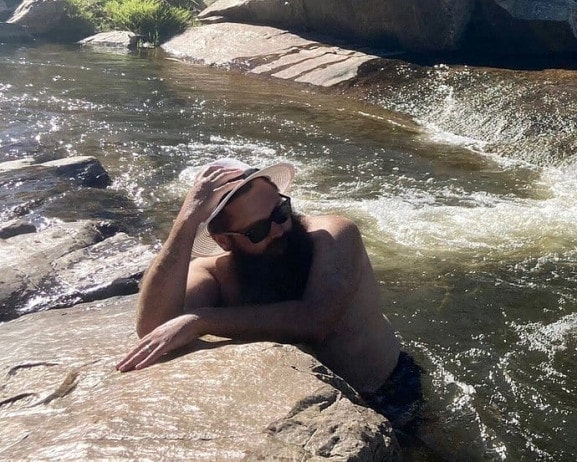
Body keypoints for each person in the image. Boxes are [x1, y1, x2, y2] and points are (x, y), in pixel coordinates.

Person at [115, 157, 425, 431]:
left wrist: (201, 320)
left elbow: (316, 320)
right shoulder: (215, 272)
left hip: (390, 391)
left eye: (280, 212)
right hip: (303, 409)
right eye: (258, 231)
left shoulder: (333, 235)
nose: (279, 230)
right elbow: (154, 327)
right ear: (224, 241)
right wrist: (186, 220)